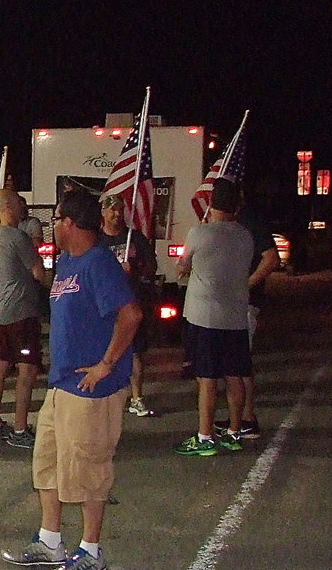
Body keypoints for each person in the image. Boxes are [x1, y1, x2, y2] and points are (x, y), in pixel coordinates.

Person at [2, 189, 141, 570]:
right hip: (62, 385)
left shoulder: (99, 264)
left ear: (70, 223)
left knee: (89, 470)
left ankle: (91, 550)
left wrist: (105, 365)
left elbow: (130, 316)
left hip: (91, 390)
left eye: (56, 219)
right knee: (48, 465)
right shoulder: (66, 261)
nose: (52, 227)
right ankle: (50, 541)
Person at [173, 178, 255, 457]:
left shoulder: (200, 234)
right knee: (234, 376)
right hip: (235, 316)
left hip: (204, 316)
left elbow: (182, 268)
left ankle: (205, 436)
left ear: (211, 202)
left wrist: (182, 266)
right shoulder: (245, 236)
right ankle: (234, 431)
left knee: (206, 378)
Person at [213, 188, 279, 440]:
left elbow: (271, 258)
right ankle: (238, 418)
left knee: (239, 364)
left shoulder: (250, 220)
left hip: (244, 303)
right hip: (228, 303)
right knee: (233, 363)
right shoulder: (228, 223)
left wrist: (247, 284)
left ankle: (247, 419)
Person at [0, 188, 46, 448]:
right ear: (9, 207)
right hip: (22, 310)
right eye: (19, 205)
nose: (23, 209)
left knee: (1, 365)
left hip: (4, 310)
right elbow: (38, 272)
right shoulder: (17, 237)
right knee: (27, 368)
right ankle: (21, 429)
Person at [99, 194, 159, 418]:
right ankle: (106, 396)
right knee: (105, 352)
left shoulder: (135, 238)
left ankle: (137, 398)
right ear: (103, 212)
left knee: (134, 353)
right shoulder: (97, 241)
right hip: (105, 308)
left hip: (131, 303)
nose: (117, 213)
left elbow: (152, 265)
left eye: (120, 209)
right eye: (112, 209)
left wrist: (136, 269)